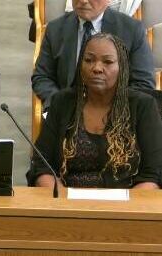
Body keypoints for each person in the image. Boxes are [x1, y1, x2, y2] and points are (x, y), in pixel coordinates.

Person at [27, 33, 162, 189]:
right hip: (69, 203)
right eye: (89, 60)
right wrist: (62, 200)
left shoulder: (142, 106)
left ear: (122, 67)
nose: (97, 68)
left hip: (125, 205)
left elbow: (152, 175)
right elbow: (41, 165)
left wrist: (125, 211)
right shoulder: (63, 102)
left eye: (108, 62)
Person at [32, 0, 154, 113]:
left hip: (115, 116)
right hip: (67, 114)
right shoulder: (55, 29)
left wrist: (111, 110)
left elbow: (143, 83)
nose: (84, 1)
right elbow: (42, 77)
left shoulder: (132, 30)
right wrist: (59, 104)